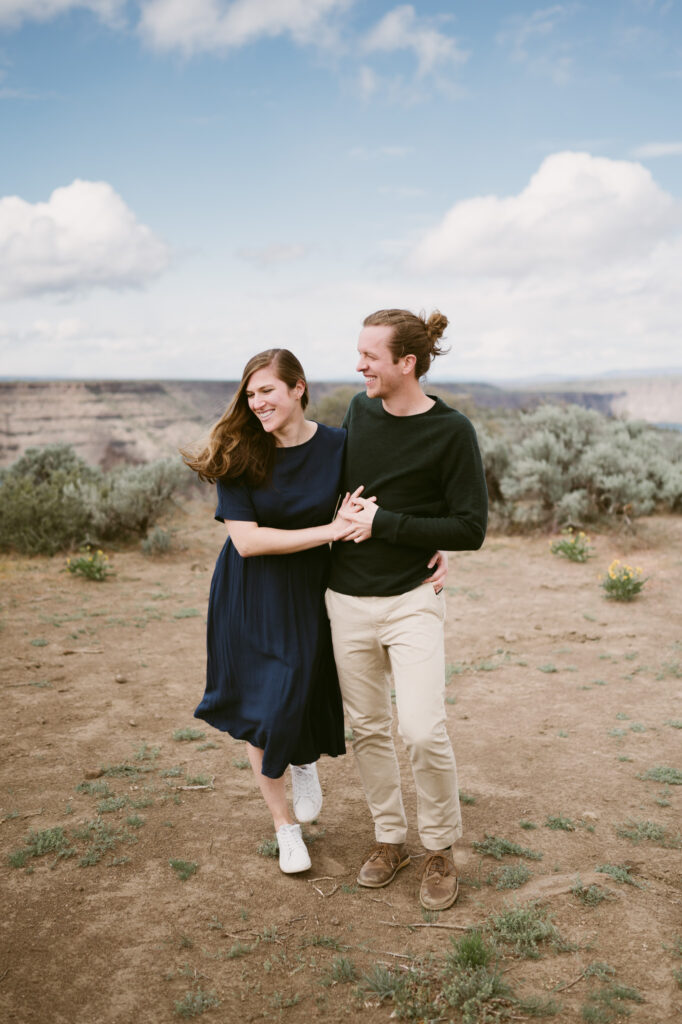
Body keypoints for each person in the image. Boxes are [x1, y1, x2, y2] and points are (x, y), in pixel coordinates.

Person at [326, 308, 488, 911]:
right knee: (367, 728)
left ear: (407, 363)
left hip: (413, 601)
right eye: (359, 353)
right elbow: (341, 493)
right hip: (343, 598)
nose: (359, 365)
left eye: (370, 356)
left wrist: (391, 526)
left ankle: (441, 847)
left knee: (422, 729)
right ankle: (389, 839)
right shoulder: (359, 411)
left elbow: (470, 527)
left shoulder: (452, 432)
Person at [181, 349, 355, 875]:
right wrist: (328, 531)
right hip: (248, 592)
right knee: (262, 710)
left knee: (297, 687)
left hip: (307, 590)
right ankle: (286, 829)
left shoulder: (340, 446)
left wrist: (432, 550)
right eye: (250, 394)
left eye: (267, 392)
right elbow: (248, 543)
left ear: (298, 388)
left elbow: (382, 502)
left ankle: (301, 760)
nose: (256, 403)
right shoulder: (240, 452)